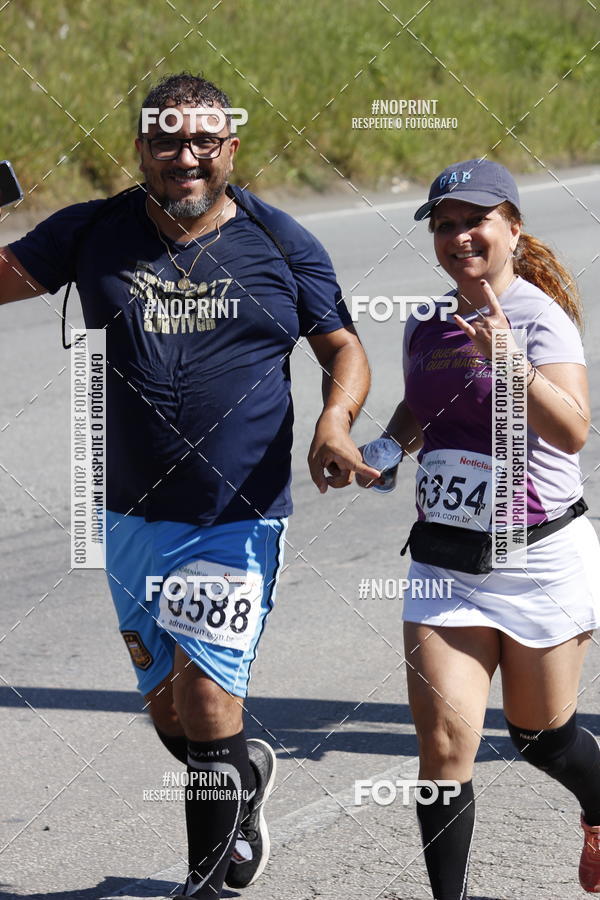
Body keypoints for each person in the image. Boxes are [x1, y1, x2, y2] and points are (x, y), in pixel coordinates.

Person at [0, 72, 379, 899]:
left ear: (230, 148)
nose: (186, 156)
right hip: (130, 515)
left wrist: (334, 422)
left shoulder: (280, 244)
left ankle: (205, 883)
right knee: (173, 713)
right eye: (167, 139)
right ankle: (242, 777)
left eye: (203, 140)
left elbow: (344, 351)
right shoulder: (91, 232)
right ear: (140, 147)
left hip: (233, 514)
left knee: (206, 701)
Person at [360, 158, 600, 898]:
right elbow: (421, 408)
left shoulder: (539, 317)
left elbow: (574, 431)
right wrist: (382, 449)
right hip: (447, 563)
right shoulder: (426, 320)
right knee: (441, 747)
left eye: (475, 221)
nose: (460, 236)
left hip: (538, 561)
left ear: (512, 228)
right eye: (446, 225)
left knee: (541, 738)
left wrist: (512, 364)